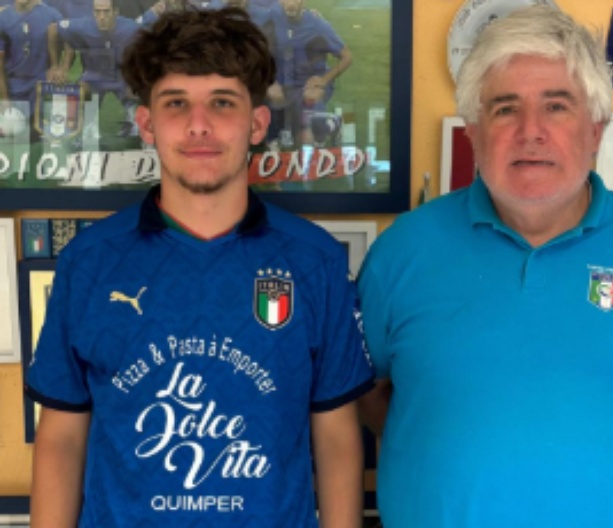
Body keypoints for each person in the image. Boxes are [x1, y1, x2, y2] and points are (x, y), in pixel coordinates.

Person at [357, 6, 613, 528]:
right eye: (505, 108)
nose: (531, 131)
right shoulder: (401, 251)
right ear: (473, 130)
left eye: (556, 106)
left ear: (595, 130)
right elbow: (365, 394)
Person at [27, 7, 373, 528]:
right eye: (176, 103)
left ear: (258, 123)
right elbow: (62, 435)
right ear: (147, 124)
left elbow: (335, 434)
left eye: (222, 102)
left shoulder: (314, 261)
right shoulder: (89, 262)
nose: (199, 125)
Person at [47, 0, 140, 137]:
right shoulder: (84, 25)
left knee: (142, 88)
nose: (101, 17)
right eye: (97, 12)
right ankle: (89, 123)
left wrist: (138, 77)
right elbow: (53, 28)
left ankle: (132, 117)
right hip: (95, 76)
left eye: (106, 12)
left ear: (115, 12)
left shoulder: (131, 28)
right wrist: (55, 66)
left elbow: (151, 46)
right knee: (81, 90)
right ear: (93, 13)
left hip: (121, 76)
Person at [266, 0, 351, 148]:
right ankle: (282, 131)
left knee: (309, 137)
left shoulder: (318, 25)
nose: (291, 4)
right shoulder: (274, 14)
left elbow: (347, 57)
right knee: (271, 97)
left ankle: (328, 127)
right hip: (285, 83)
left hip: (310, 84)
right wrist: (271, 81)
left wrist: (324, 80)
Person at [0, 0, 62, 115]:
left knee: (42, 125)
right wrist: (4, 98)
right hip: (15, 86)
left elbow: (70, 39)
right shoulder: (3, 19)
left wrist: (57, 67)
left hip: (41, 83)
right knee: (15, 124)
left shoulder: (51, 15)